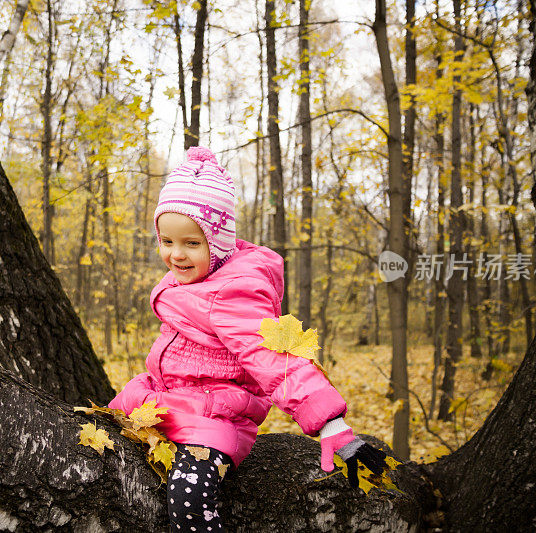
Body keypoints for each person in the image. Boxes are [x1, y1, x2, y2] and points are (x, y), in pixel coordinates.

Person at [109, 146, 387, 531]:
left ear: (218, 243)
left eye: (192, 243)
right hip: (161, 399)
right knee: (98, 437)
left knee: (189, 498)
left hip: (213, 416)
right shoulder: (188, 280)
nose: (176, 255)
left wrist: (331, 425)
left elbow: (271, 358)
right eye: (167, 241)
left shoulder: (233, 293)